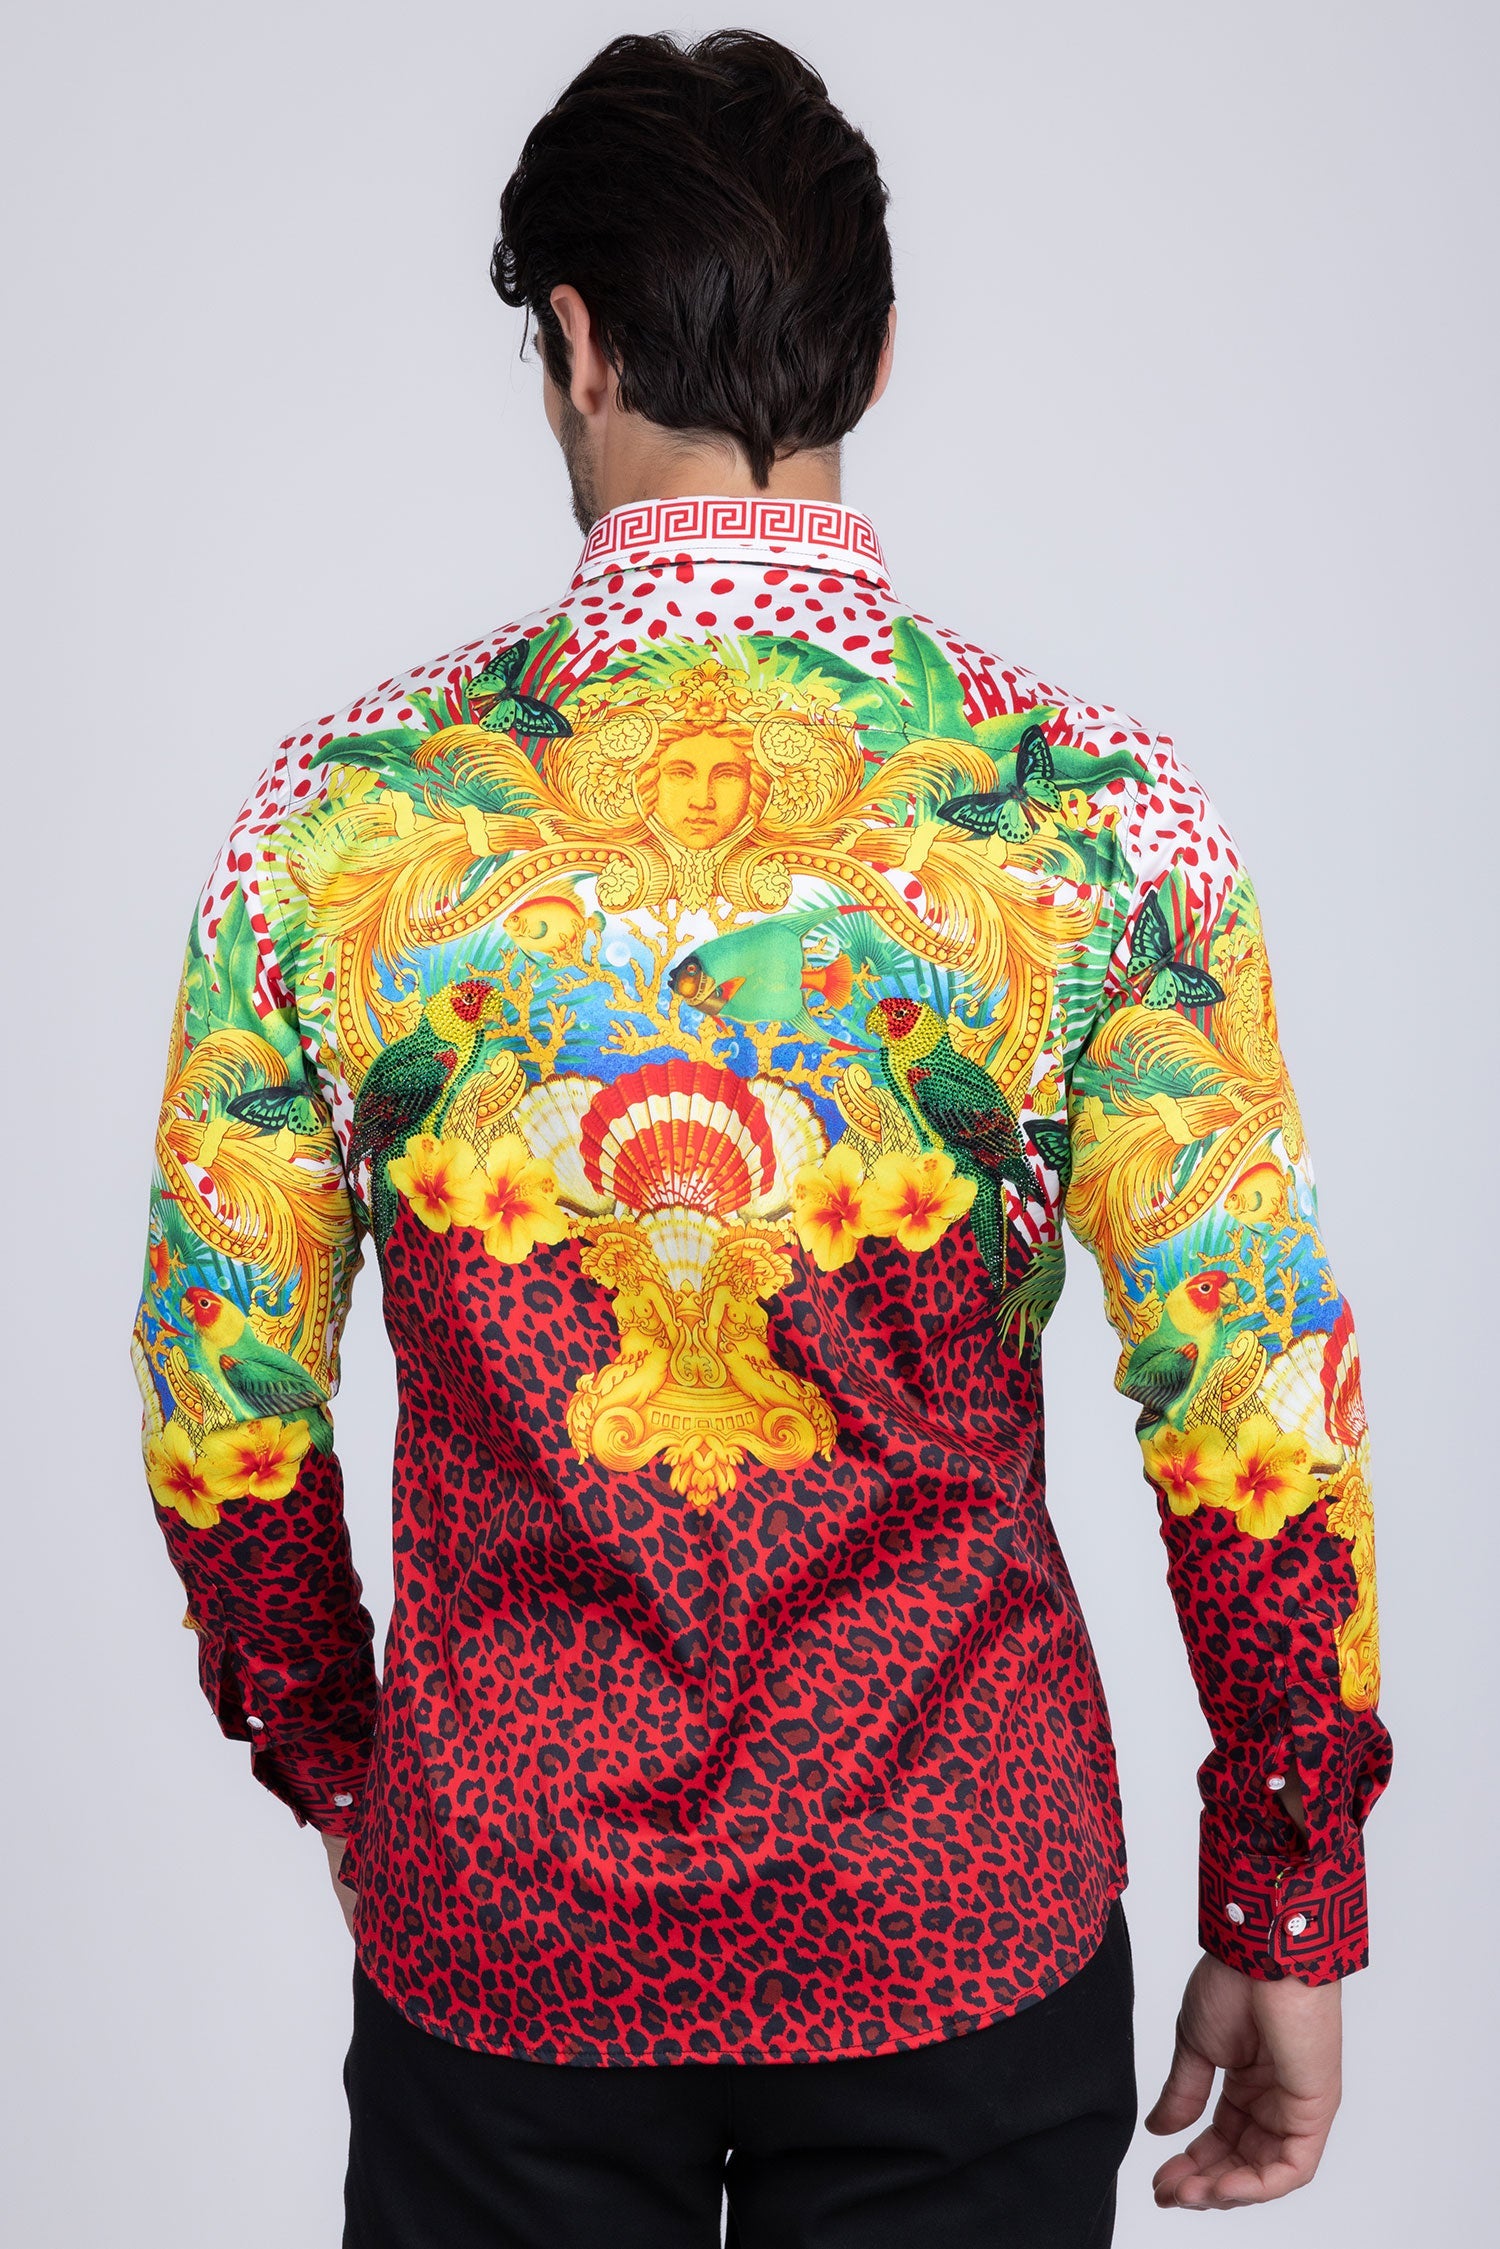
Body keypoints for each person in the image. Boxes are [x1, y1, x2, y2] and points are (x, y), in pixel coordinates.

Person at [132, 29, 1391, 2248]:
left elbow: (217, 1397)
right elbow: (1255, 1402)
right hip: (960, 1918)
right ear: (877, 356)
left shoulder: (339, 830)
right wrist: (1286, 1895)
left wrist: (346, 1765)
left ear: (574, 344)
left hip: (506, 1926)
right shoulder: (1094, 817)